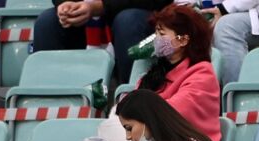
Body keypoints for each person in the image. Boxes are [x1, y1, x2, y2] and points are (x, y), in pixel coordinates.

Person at [136, 5, 221, 141]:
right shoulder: (154, 74)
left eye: (161, 34)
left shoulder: (203, 75)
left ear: (183, 40)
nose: (156, 39)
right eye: (155, 33)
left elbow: (171, 113)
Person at [32, 0, 170, 86]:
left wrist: (100, 6)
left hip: (135, 15)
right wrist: (65, 5)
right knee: (48, 22)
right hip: (86, 18)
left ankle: (135, 98)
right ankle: (51, 101)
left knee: (128, 21)